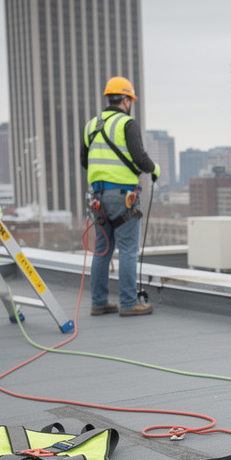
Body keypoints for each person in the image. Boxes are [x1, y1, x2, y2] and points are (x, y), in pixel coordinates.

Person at [82, 76, 160, 317]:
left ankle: (99, 302)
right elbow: (139, 157)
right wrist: (153, 169)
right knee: (127, 248)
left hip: (97, 197)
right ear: (126, 100)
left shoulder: (91, 125)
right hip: (123, 196)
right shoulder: (127, 123)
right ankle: (128, 303)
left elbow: (85, 162)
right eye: (130, 100)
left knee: (103, 249)